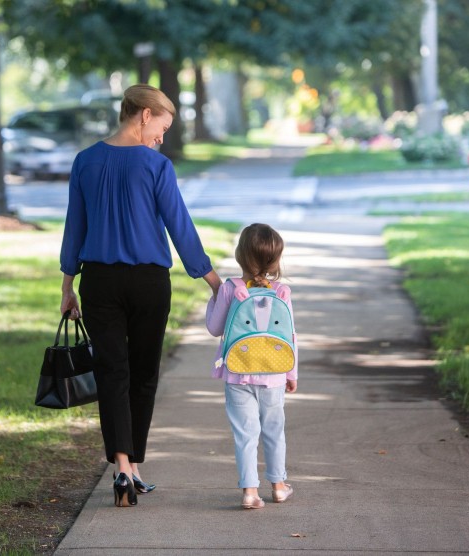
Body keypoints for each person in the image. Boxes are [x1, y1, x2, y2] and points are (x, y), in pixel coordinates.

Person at [59, 84, 222, 508]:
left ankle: (123, 468)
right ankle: (131, 466)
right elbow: (179, 226)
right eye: (162, 127)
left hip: (98, 283)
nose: (161, 138)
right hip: (149, 282)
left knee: (112, 373)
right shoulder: (156, 166)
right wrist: (216, 283)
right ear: (145, 115)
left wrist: (67, 284)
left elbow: (74, 227)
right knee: (144, 373)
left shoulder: (85, 161)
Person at [205, 223, 298, 509]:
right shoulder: (282, 291)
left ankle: (249, 492)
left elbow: (214, 327)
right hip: (274, 373)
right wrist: (291, 373)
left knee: (245, 433)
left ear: (239, 255)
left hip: (237, 373)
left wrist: (214, 298)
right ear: (275, 260)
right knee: (274, 430)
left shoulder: (231, 289)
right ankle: (279, 486)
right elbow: (290, 335)